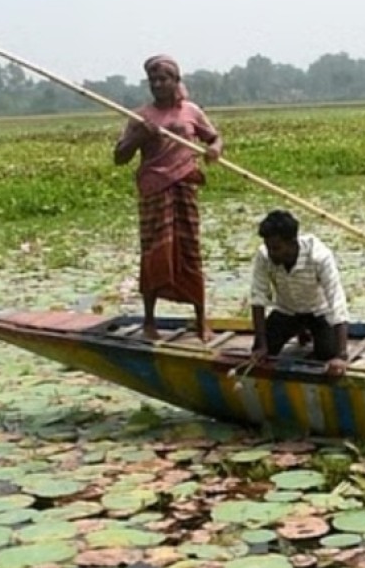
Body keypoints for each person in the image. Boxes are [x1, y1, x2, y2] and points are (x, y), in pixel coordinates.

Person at [113, 54, 223, 341]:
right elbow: (120, 157)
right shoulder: (141, 117)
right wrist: (139, 136)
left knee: (189, 251)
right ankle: (149, 322)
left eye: (164, 79)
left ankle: (201, 322)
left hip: (183, 188)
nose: (158, 84)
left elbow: (214, 138)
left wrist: (215, 150)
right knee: (154, 252)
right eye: (153, 80)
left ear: (176, 81)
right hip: (154, 190)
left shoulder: (191, 111)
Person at [249, 210, 351, 377]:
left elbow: (336, 299)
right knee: (262, 353)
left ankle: (309, 333)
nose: (271, 253)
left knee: (326, 355)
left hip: (319, 312)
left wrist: (341, 355)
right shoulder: (264, 256)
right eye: (268, 247)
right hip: (287, 311)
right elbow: (258, 297)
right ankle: (300, 331)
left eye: (276, 248)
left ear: (292, 242)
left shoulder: (319, 256)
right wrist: (261, 345)